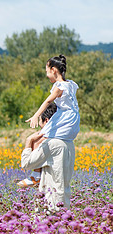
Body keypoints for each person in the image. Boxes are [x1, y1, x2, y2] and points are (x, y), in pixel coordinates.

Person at [19, 54, 80, 187]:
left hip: (64, 119)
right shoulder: (71, 84)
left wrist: (36, 115)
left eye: (47, 71)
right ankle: (37, 175)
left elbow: (48, 101)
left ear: (53, 70)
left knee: (37, 139)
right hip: (73, 122)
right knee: (42, 138)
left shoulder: (59, 86)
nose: (47, 75)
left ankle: (35, 176)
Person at [20, 103, 76, 212]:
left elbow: (26, 163)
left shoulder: (51, 143)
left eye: (40, 126)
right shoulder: (69, 142)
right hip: (64, 199)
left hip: (50, 203)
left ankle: (35, 175)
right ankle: (35, 175)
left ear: (46, 121)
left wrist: (29, 141)